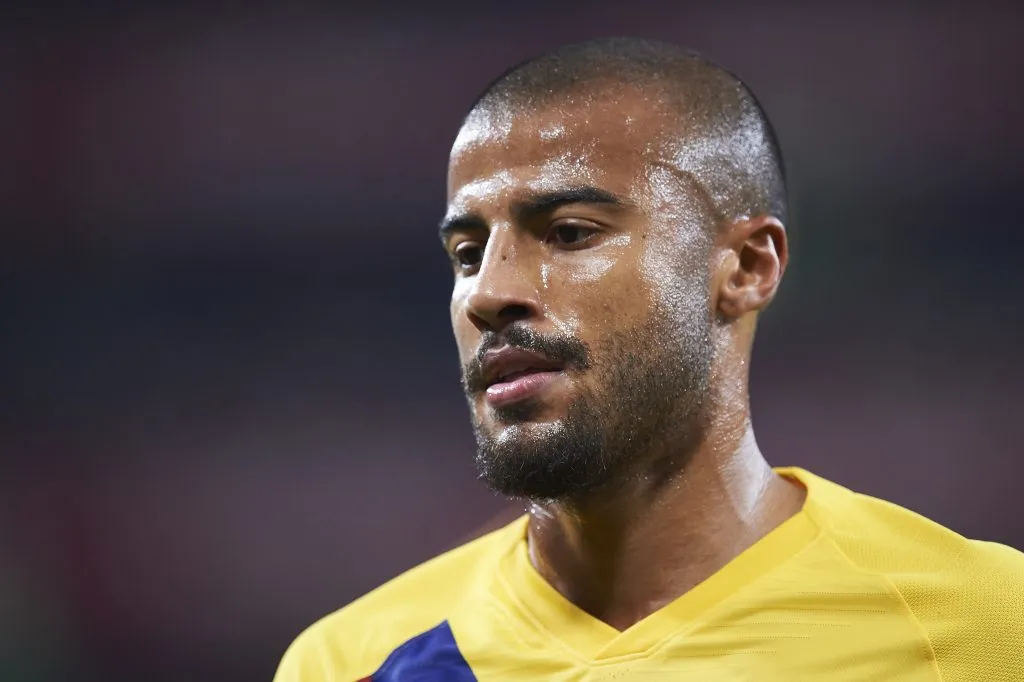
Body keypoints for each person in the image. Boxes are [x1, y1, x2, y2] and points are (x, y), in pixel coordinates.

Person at [274, 37, 1024, 681]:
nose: (488, 294)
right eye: (468, 255)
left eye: (569, 233)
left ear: (747, 268)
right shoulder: (351, 660)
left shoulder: (983, 628)